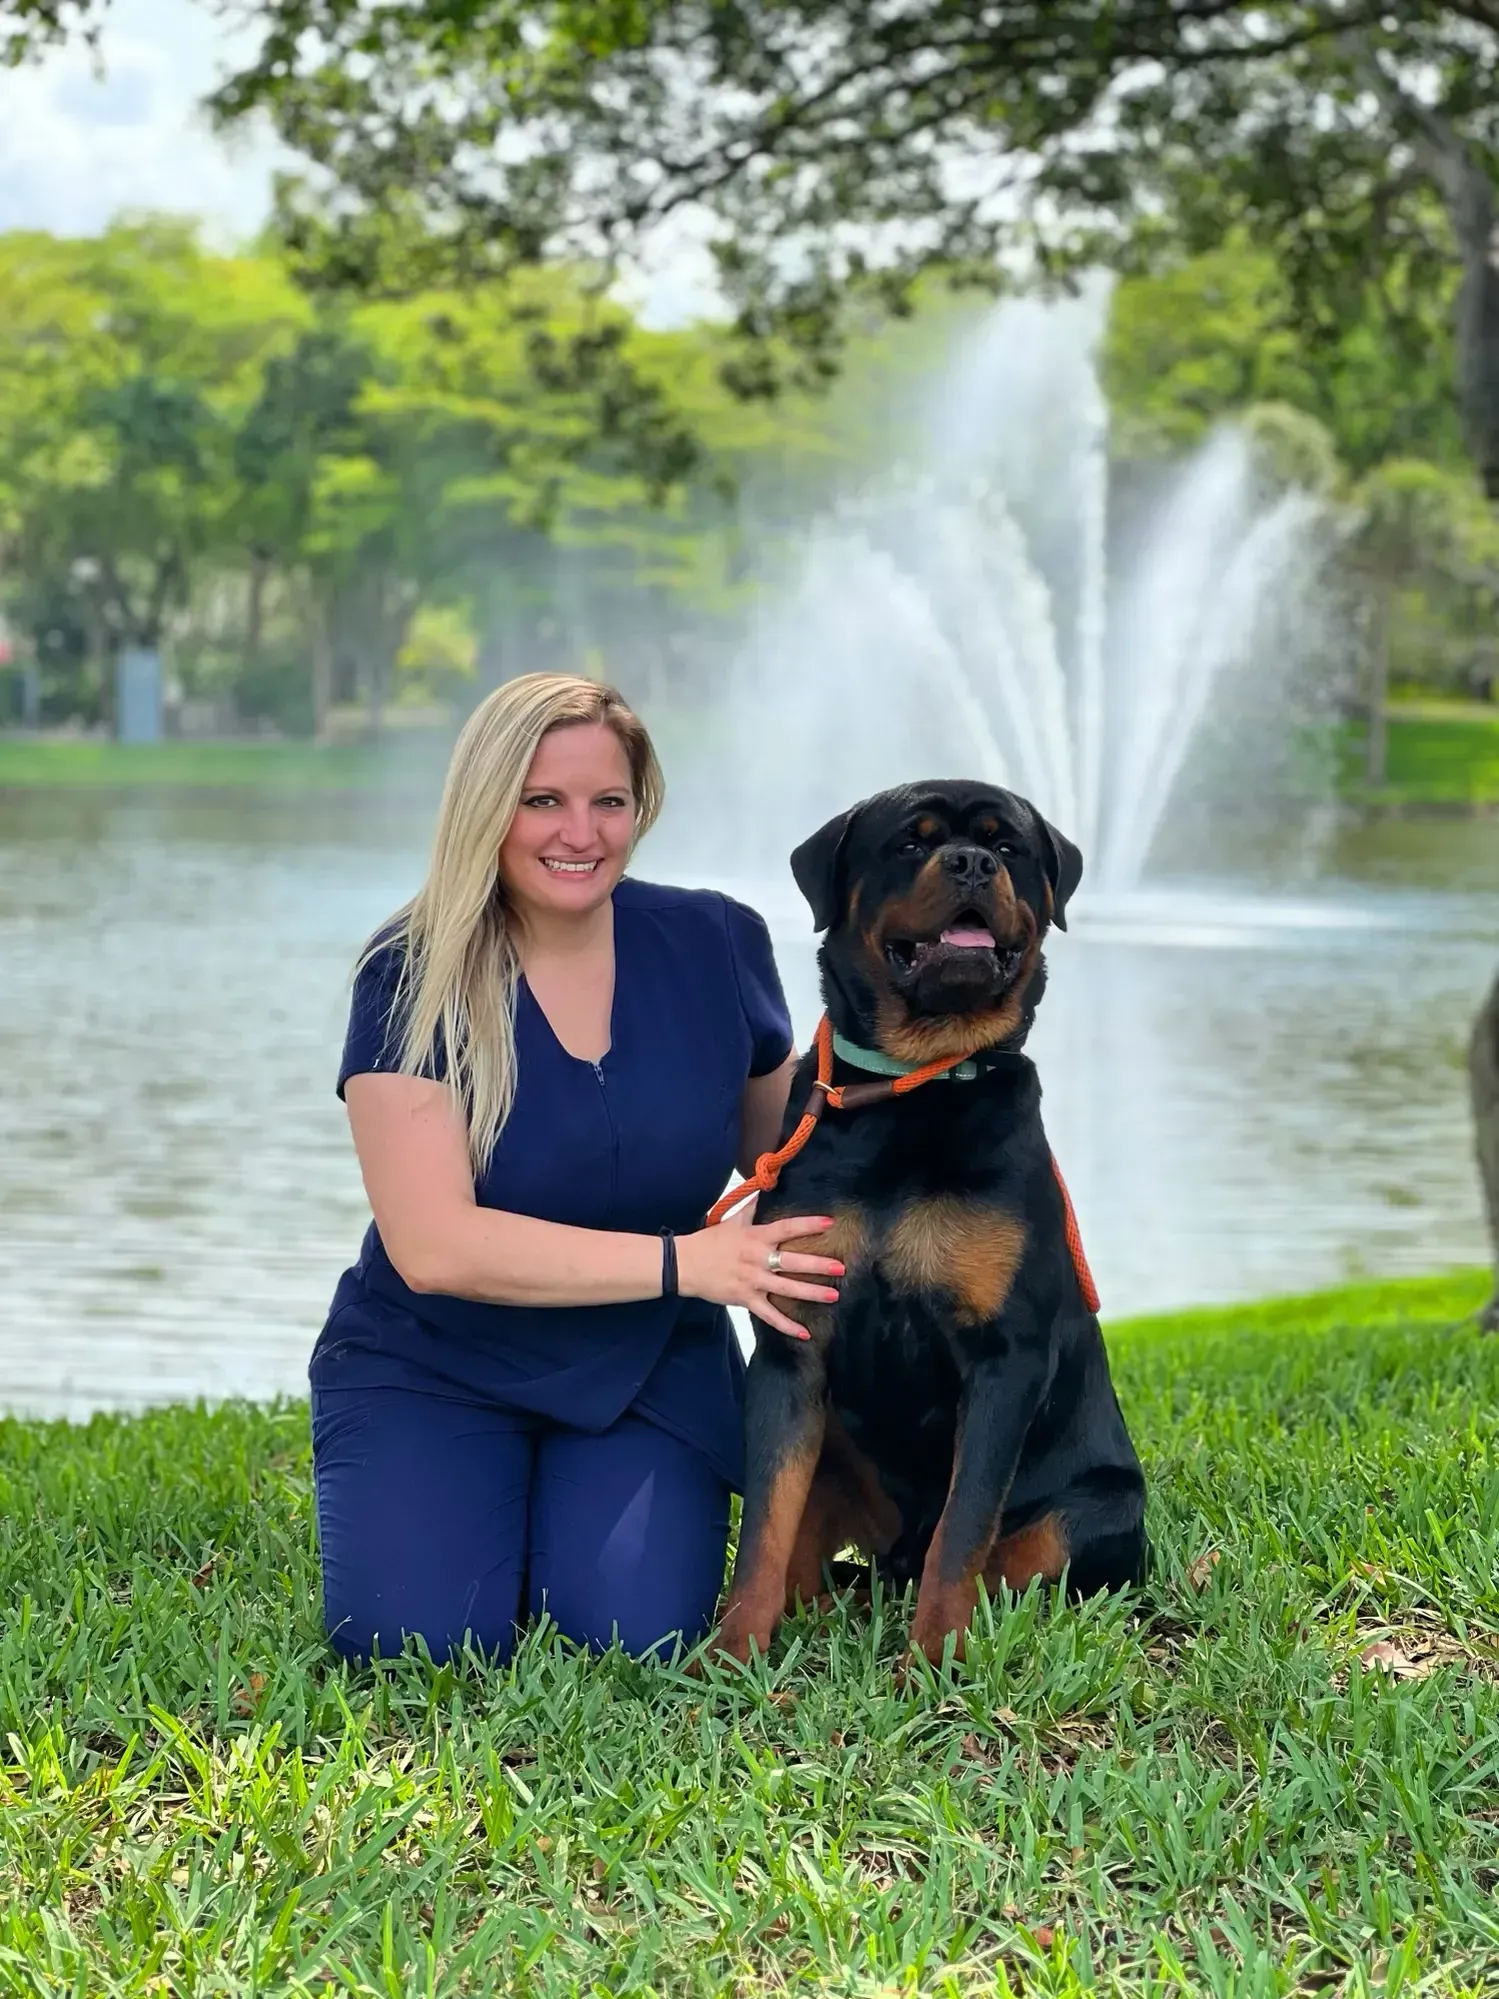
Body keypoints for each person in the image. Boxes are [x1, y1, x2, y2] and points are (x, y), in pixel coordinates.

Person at [310, 671, 845, 1665]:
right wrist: (690, 1264)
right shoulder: (409, 970)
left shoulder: (715, 942)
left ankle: (549, 1524)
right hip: (434, 1361)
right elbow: (433, 1246)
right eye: (541, 800)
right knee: (414, 1643)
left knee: (631, 1639)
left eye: (609, 801)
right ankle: (466, 1513)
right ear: (488, 806)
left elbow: (795, 1153)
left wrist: (931, 1061)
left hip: (644, 1365)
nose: (580, 833)